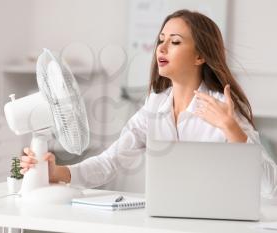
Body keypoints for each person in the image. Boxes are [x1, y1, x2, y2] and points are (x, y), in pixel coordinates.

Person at [20, 9, 277, 198]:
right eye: (161, 40)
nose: (162, 48)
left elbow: (271, 187)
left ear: (200, 56)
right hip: (166, 221)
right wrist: (58, 172)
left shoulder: (223, 108)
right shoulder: (154, 107)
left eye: (175, 42)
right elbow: (110, 162)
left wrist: (232, 130)